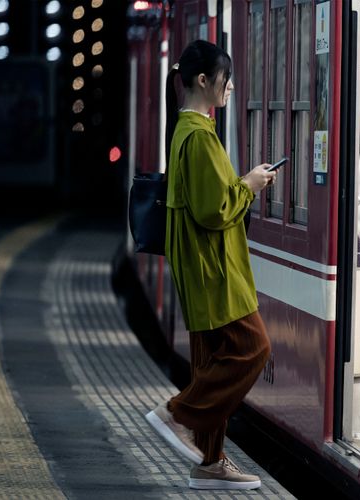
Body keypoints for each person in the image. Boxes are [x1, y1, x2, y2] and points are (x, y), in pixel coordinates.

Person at [144, 39, 276, 491]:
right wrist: (250, 185)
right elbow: (212, 210)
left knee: (212, 361)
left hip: (199, 268)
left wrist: (241, 183)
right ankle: (176, 413)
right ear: (204, 81)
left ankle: (210, 462)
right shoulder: (200, 136)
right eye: (226, 79)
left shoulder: (187, 129)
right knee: (253, 348)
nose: (231, 87)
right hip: (213, 270)